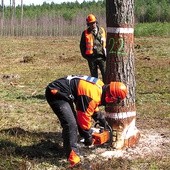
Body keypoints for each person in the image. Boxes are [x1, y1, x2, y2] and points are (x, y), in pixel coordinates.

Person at [45, 75, 127, 168]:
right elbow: (83, 118)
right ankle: (74, 160)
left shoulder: (99, 86)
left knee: (74, 122)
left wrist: (100, 119)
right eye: (115, 100)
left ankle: (71, 144)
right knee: (71, 124)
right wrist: (88, 137)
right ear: (110, 96)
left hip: (66, 92)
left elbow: (92, 104)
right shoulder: (90, 94)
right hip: (56, 93)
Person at [80, 14, 107, 83]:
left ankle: (105, 90)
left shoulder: (102, 30)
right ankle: (95, 91)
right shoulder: (85, 33)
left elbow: (107, 42)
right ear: (88, 24)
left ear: (96, 22)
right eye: (90, 23)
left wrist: (106, 54)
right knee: (94, 78)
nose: (93, 25)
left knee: (105, 75)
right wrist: (87, 57)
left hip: (102, 57)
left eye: (93, 22)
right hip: (92, 58)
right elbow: (82, 46)